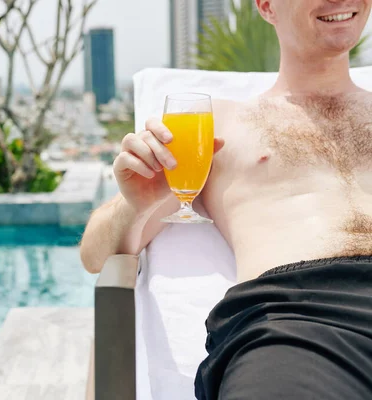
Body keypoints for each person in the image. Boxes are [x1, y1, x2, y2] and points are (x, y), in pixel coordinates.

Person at [80, 0, 372, 399]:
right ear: (267, 6)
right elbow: (95, 255)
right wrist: (138, 203)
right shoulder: (214, 125)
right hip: (296, 324)